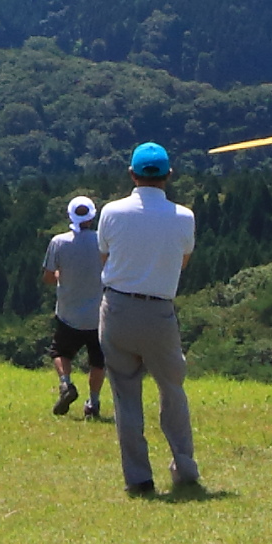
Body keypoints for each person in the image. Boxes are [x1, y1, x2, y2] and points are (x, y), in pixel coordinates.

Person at [94, 144, 201, 497]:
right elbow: (182, 261)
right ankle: (184, 463)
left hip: (118, 308)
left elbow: (105, 255)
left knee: (126, 394)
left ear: (132, 173)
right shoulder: (184, 216)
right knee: (172, 388)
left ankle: (139, 479)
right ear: (168, 175)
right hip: (159, 311)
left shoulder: (112, 212)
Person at [42, 193, 109, 418]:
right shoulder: (102, 242)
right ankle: (94, 403)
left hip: (68, 311)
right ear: (93, 215)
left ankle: (65, 383)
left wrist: (62, 275)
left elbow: (49, 277)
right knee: (98, 360)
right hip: (98, 313)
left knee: (60, 351)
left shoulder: (59, 242)